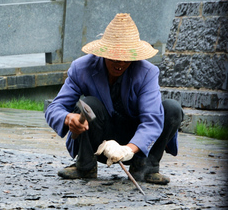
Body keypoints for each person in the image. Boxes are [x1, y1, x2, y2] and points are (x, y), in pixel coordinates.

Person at [44, 13, 183, 185]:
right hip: (99, 141)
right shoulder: (81, 68)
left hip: (135, 144)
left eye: (125, 59)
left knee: (172, 109)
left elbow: (152, 121)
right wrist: (67, 118)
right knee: (88, 105)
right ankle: (85, 166)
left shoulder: (147, 72)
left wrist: (127, 150)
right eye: (114, 57)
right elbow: (54, 108)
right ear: (103, 53)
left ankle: (146, 167)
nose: (120, 63)